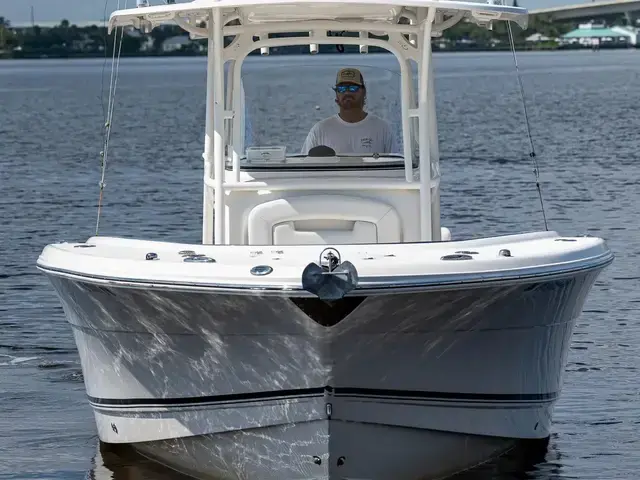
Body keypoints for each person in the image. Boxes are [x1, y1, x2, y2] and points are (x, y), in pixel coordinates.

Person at [301, 68, 396, 156]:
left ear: (364, 92)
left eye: (352, 88)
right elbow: (303, 168)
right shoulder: (319, 131)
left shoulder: (382, 129)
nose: (347, 93)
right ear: (336, 94)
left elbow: (397, 169)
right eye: (342, 89)